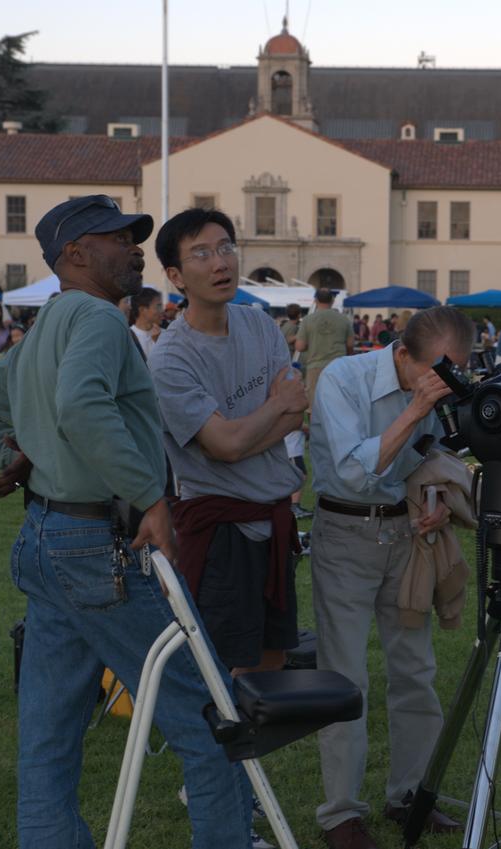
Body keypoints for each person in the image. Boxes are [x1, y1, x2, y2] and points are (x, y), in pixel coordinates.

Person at [0, 195, 253, 849]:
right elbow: (81, 405)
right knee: (208, 716)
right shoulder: (101, 322)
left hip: (47, 541)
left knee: (48, 742)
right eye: (119, 238)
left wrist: (18, 459)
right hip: (100, 544)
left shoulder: (47, 327)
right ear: (75, 255)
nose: (137, 248)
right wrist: (151, 498)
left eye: (137, 238)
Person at [309, 306, 474, 849]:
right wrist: (417, 406)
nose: (443, 384)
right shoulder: (342, 379)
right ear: (402, 355)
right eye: (436, 372)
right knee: (345, 678)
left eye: (455, 372)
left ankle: (411, 797)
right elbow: (356, 470)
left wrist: (438, 502)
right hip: (346, 537)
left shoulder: (434, 388)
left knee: (415, 669)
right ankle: (341, 815)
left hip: (407, 536)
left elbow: (437, 453)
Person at [149, 207, 309, 677]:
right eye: (201, 254)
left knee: (272, 659)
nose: (220, 263)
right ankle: (220, 753)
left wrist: (246, 428)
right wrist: (268, 416)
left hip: (273, 519)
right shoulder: (171, 359)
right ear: (176, 275)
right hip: (222, 531)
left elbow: (295, 408)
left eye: (225, 248)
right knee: (220, 669)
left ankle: (253, 750)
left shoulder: (259, 325)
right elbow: (226, 447)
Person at [296, 287, 354, 405]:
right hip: (339, 367)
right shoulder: (344, 319)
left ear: (316, 301)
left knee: (314, 405)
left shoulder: (307, 320)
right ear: (332, 301)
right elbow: (350, 345)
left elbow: (300, 346)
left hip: (315, 367)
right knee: (337, 404)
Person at [128, 286, 163, 359]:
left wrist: (160, 341)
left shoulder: (166, 335)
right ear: (142, 310)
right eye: (158, 306)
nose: (162, 311)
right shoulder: (128, 337)